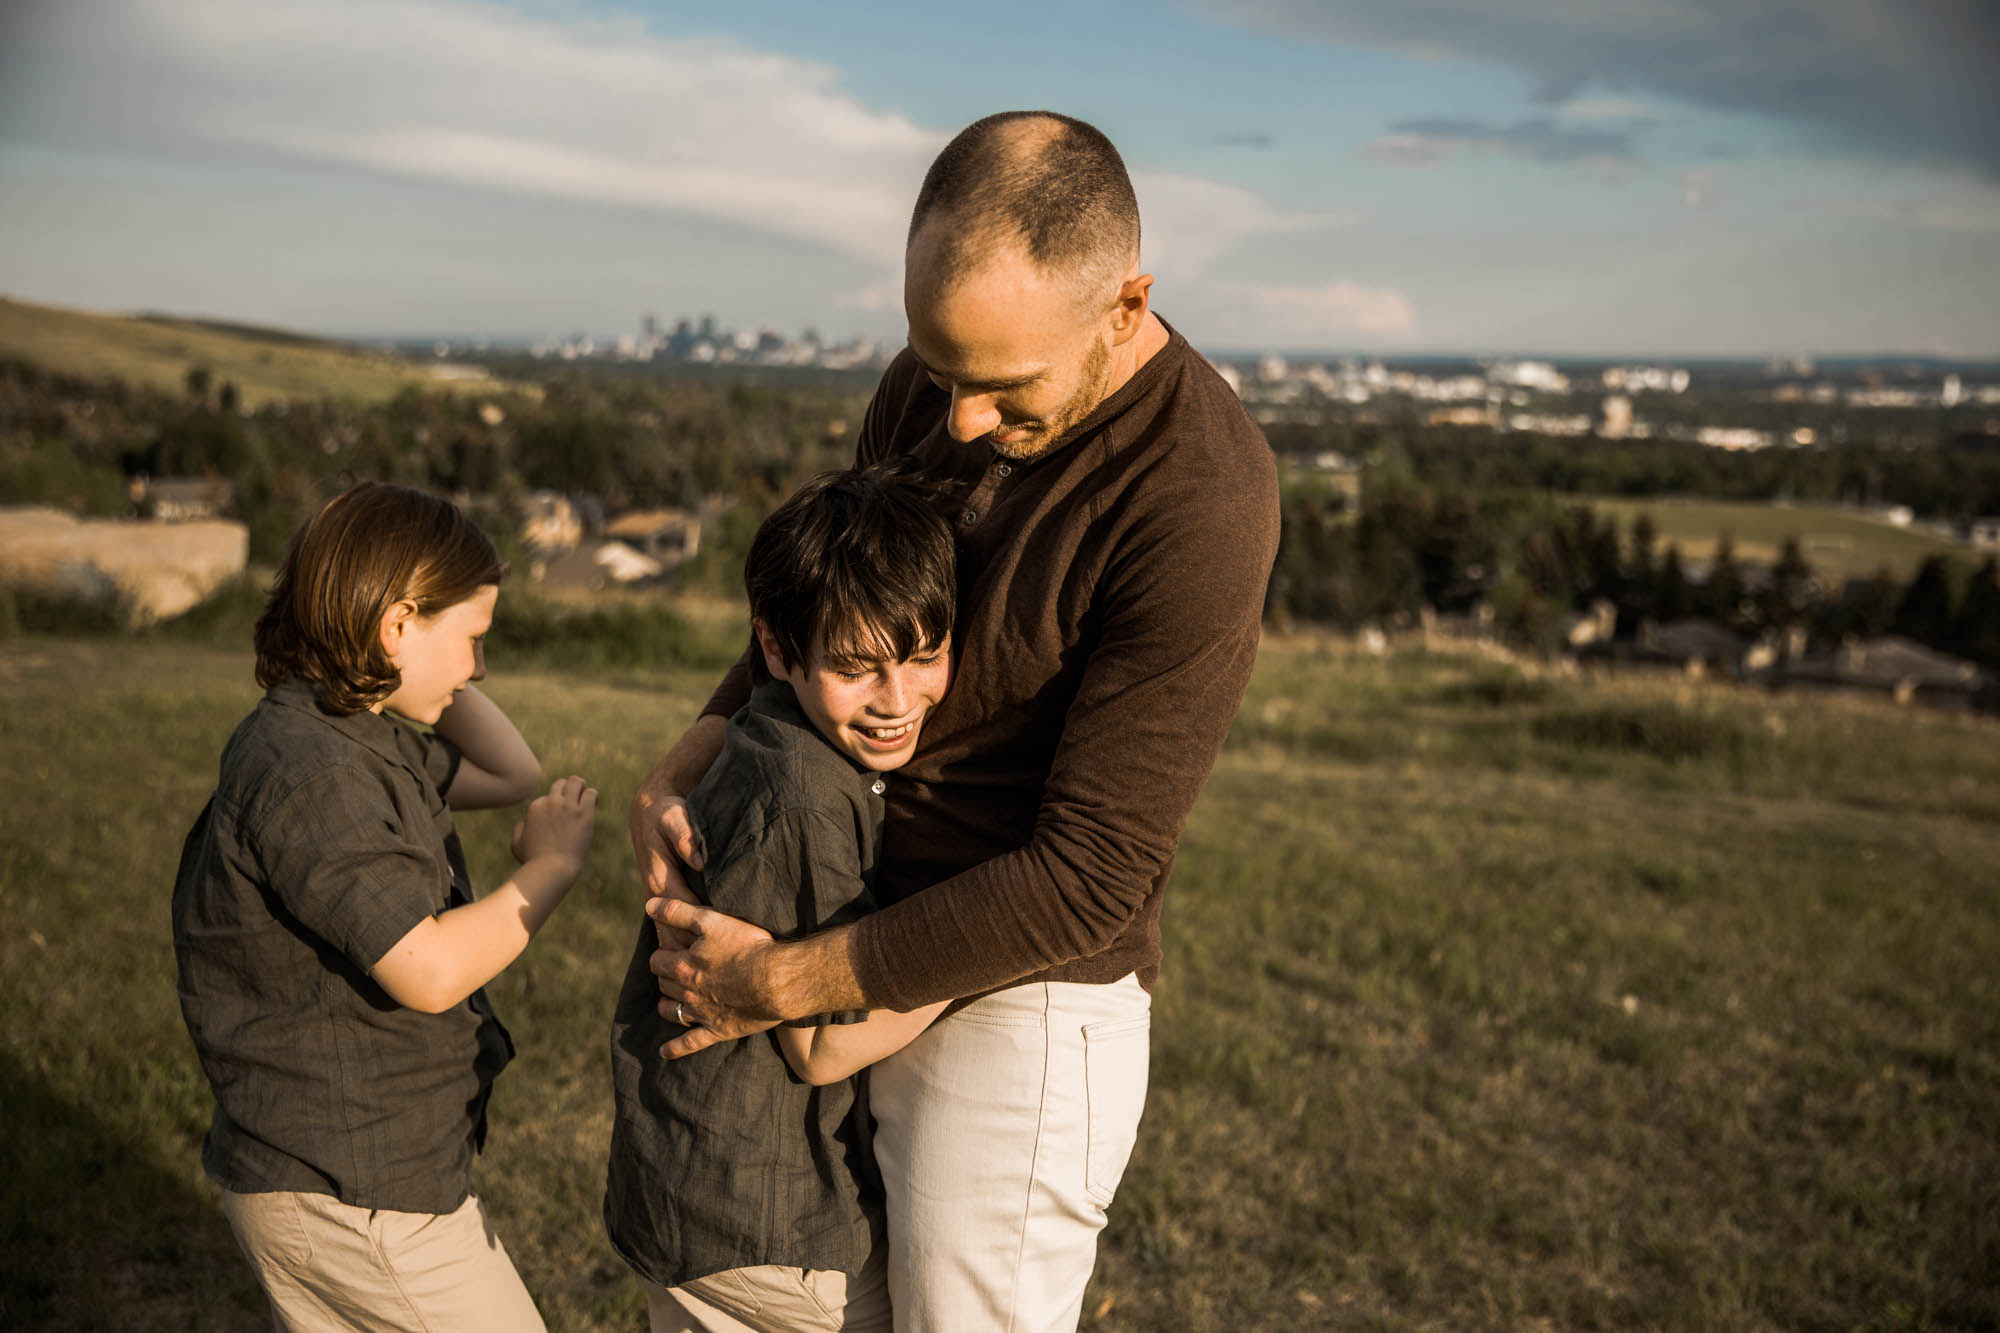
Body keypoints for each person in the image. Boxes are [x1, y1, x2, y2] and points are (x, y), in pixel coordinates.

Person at [632, 110, 1281, 1331]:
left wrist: (784, 983)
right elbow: (839, 606)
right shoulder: (935, 383)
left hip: (1020, 997)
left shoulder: (1202, 493)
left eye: (1001, 386)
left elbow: (1093, 874)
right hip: (855, 915)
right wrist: (698, 744)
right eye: (939, 375)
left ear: (1126, 302)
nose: (960, 421)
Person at [172, 482, 597, 1333]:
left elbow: (511, 772)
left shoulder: (361, 732)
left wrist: (402, 662)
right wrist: (549, 867)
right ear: (397, 622)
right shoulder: (315, 771)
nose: (480, 666)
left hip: (352, 1178)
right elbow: (430, 969)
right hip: (350, 1190)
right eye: (472, 640)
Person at [604, 463, 959, 1333]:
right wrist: (973, 954)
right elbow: (820, 1051)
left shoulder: (777, 733)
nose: (897, 701)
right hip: (755, 1225)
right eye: (856, 667)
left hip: (698, 1192)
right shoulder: (803, 797)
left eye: (924, 657)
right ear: (774, 646)